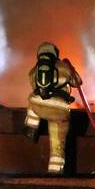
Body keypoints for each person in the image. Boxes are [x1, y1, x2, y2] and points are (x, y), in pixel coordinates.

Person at [23, 42, 82, 174]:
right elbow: (78, 82)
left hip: (38, 108)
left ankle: (31, 128)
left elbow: (33, 85)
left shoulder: (35, 70)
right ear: (55, 54)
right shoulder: (64, 67)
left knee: (32, 100)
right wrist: (71, 68)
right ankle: (55, 174)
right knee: (57, 147)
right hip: (58, 113)